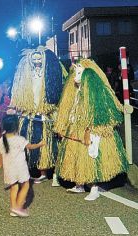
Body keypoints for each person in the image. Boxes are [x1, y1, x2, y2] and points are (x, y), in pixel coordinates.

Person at [54, 59, 129, 201]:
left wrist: (90, 131)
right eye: (75, 73)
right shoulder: (75, 91)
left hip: (89, 131)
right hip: (75, 128)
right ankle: (80, 184)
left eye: (79, 73)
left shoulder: (95, 93)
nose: (76, 76)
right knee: (76, 157)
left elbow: (100, 114)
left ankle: (94, 188)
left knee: (91, 157)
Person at [10, 46, 64, 185]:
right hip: (30, 112)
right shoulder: (27, 75)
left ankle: (55, 173)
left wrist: (46, 108)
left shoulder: (50, 75)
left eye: (39, 58)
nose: (37, 61)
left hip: (46, 113)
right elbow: (20, 93)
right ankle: (40, 172)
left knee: (50, 144)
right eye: (34, 59)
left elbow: (55, 94)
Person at [0, 115, 44, 217]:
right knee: (25, 185)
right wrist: (40, 144)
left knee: (14, 187)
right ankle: (18, 207)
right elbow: (30, 147)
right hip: (20, 168)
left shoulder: (2, 139)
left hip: (9, 169)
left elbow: (0, 154)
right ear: (16, 127)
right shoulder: (20, 139)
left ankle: (13, 208)